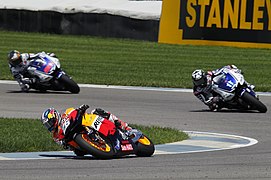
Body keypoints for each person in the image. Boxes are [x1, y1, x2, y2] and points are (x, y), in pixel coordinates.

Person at [40, 104, 132, 151]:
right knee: (78, 153)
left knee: (96, 112)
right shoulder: (56, 136)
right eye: (47, 125)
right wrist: (66, 144)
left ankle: (123, 126)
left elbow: (75, 112)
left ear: (55, 116)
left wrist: (81, 109)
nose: (50, 126)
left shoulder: (66, 113)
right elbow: (67, 147)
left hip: (82, 125)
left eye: (50, 122)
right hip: (80, 146)